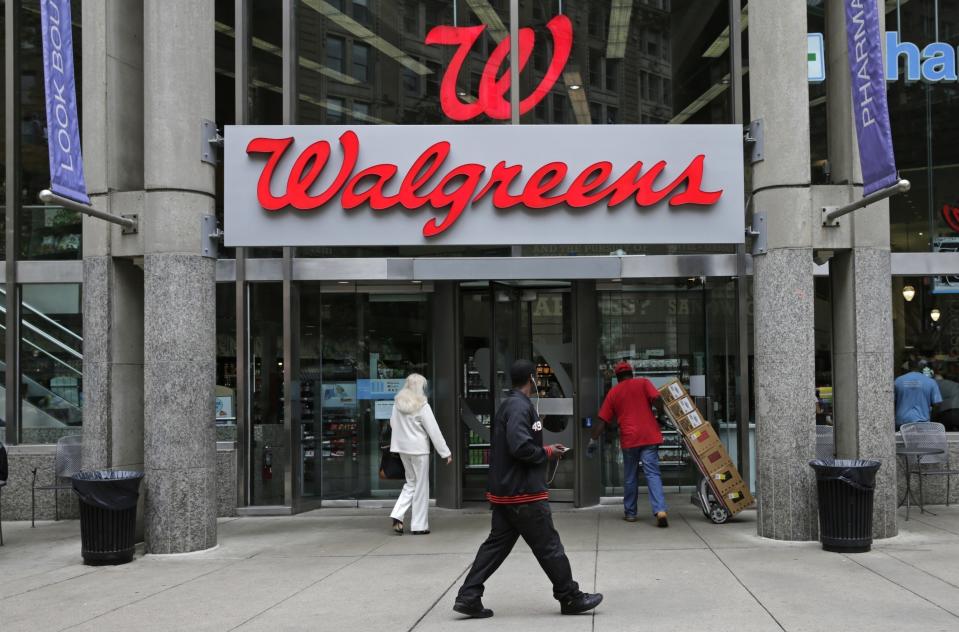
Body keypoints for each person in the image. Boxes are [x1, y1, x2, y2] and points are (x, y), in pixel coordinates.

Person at [453, 360, 603, 619]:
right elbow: (520, 446)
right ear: (531, 379)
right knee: (549, 545)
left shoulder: (511, 405)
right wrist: (547, 452)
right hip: (524, 493)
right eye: (536, 378)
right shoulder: (519, 407)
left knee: (495, 546)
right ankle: (569, 596)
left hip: (507, 492)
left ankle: (468, 595)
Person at [589, 360, 668, 527]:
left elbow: (602, 420)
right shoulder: (643, 383)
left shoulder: (614, 392)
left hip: (630, 439)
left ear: (617, 377)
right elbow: (657, 399)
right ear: (632, 374)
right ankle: (660, 510)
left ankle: (631, 513)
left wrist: (593, 439)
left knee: (630, 477)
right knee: (653, 474)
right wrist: (660, 415)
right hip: (649, 436)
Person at [389, 373, 452, 535]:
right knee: (421, 486)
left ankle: (397, 514)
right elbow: (434, 431)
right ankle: (419, 525)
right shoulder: (422, 405)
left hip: (402, 449)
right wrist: (445, 452)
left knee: (411, 483)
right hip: (419, 450)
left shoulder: (397, 404)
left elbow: (392, 424)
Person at [894, 360, 942, 429]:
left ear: (907, 368)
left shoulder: (898, 381)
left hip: (902, 423)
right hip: (923, 423)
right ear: (921, 368)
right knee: (922, 440)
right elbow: (937, 404)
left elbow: (891, 402)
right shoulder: (930, 381)